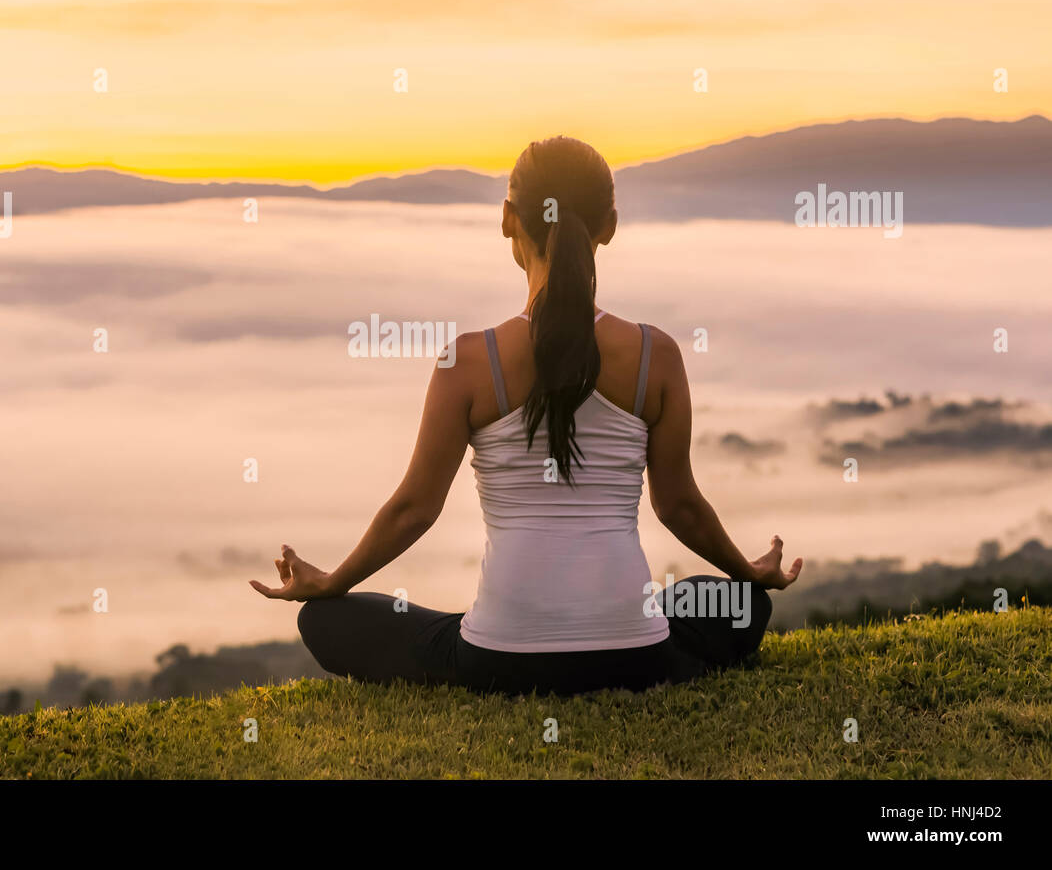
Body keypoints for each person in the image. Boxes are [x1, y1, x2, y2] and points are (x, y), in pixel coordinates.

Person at [251, 136, 801, 695]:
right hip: (637, 656)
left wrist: (333, 580)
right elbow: (678, 506)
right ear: (609, 225)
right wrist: (749, 574)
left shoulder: (465, 361)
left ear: (508, 219)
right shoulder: (655, 355)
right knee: (739, 604)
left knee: (325, 621)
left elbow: (414, 510)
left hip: (498, 661)